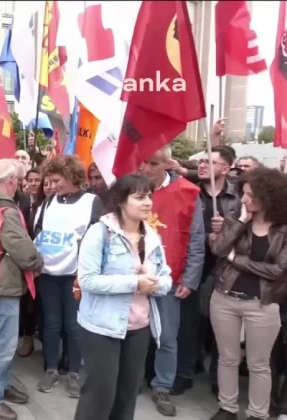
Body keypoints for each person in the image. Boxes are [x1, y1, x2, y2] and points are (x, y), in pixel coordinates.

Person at [73, 174, 173, 420]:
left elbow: (166, 278)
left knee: (128, 394)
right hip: (102, 327)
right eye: (139, 197)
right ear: (121, 201)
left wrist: (155, 281)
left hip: (139, 326)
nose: (148, 202)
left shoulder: (152, 236)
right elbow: (87, 280)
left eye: (149, 196)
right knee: (100, 395)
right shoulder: (99, 234)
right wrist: (135, 283)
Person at [208, 167, 287, 420]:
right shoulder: (236, 218)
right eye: (243, 193)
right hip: (225, 297)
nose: (243, 199)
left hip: (263, 304)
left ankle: (258, 414)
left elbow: (278, 270)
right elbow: (220, 249)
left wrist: (236, 259)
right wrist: (240, 222)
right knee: (227, 358)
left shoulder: (283, 229)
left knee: (259, 364)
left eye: (250, 195)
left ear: (268, 197)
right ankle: (227, 408)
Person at [139, 146, 205, 417]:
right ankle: (131, 380)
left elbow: (196, 241)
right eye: (142, 162)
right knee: (134, 334)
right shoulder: (133, 190)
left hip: (169, 279)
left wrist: (190, 279)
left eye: (152, 163)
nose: (145, 168)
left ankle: (162, 385)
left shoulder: (188, 193)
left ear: (168, 164)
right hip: (135, 277)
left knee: (167, 337)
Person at [0, 159, 43, 420]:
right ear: (13, 181)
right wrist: (38, 261)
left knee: (0, 340)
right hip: (2, 284)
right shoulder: (6, 210)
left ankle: (2, 385)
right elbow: (21, 249)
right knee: (3, 345)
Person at [34, 155, 103, 398]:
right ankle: (51, 368)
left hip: (76, 275)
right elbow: (39, 230)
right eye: (50, 180)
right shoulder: (48, 202)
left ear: (71, 177)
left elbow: (98, 236)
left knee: (74, 324)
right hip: (49, 274)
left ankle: (74, 371)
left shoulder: (92, 201)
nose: (52, 185)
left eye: (56, 180)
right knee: (51, 323)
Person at [173, 145, 240, 396]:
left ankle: (218, 379)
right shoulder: (190, 192)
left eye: (210, 162)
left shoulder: (238, 195)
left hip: (225, 269)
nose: (202, 165)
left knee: (220, 328)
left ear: (226, 168)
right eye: (201, 161)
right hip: (193, 267)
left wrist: (228, 227)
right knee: (188, 325)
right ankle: (184, 372)